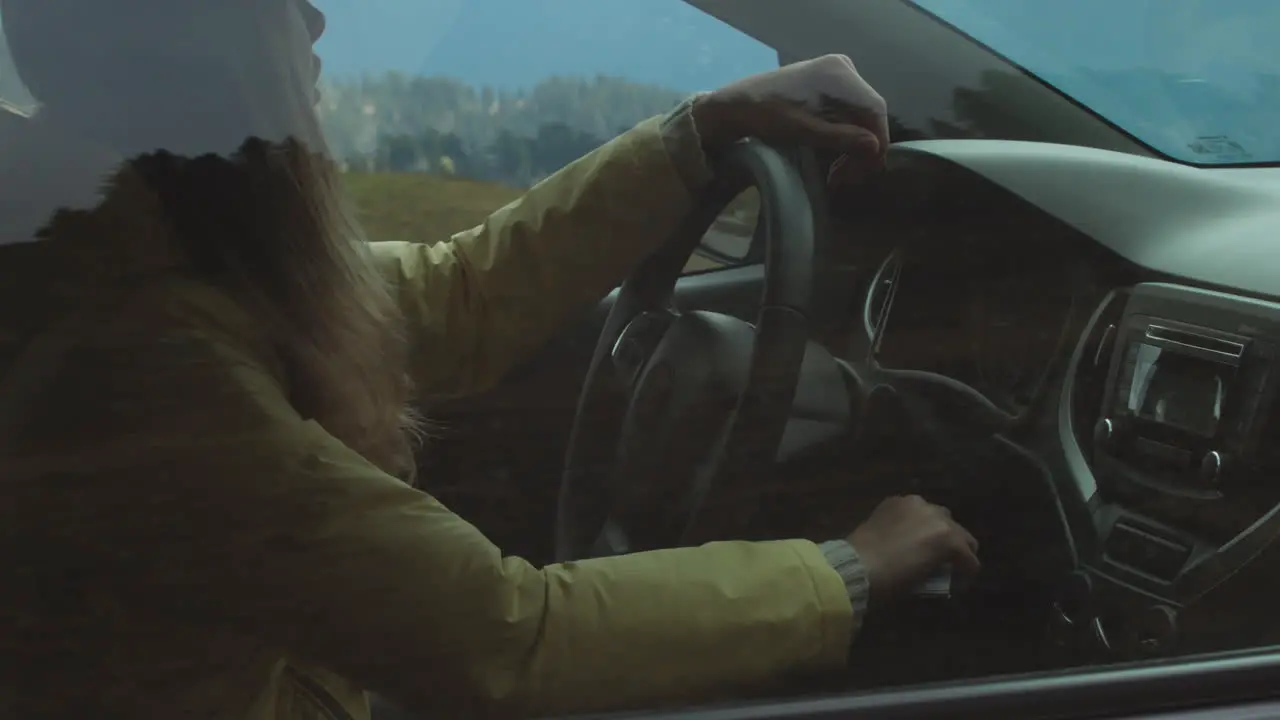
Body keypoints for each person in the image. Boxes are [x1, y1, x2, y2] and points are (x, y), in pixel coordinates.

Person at [0, 1, 980, 718]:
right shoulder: (134, 366)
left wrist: (703, 129)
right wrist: (849, 570)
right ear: (195, 43)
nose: (315, 22)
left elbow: (458, 290)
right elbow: (508, 639)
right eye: (278, 3)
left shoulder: (125, 244)